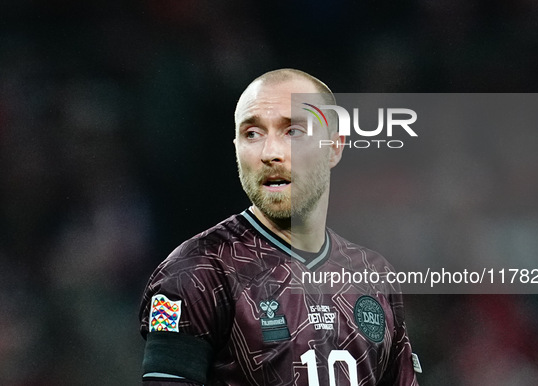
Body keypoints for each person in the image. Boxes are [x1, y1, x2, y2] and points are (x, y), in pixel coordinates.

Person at [139, 68, 420, 385]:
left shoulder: (374, 275)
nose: (270, 153)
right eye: (252, 134)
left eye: (293, 132)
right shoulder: (194, 274)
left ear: (335, 146)